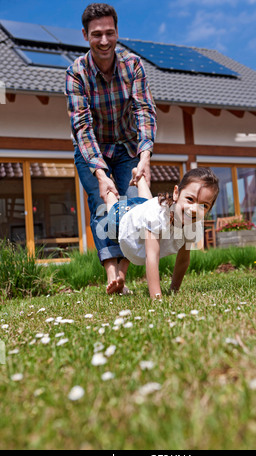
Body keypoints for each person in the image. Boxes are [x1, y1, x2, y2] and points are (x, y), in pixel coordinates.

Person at [65, 3, 157, 294]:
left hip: (128, 148)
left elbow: (144, 110)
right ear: (85, 35)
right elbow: (82, 126)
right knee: (104, 207)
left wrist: (145, 157)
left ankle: (123, 276)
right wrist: (102, 176)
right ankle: (111, 274)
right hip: (92, 151)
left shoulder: (133, 66)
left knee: (133, 207)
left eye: (109, 33)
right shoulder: (76, 73)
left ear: (117, 32)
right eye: (96, 34)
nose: (104, 41)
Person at [105, 167, 219, 298]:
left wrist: (173, 290)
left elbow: (183, 260)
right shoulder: (157, 215)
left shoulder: (192, 225)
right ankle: (110, 192)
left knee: (146, 204)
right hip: (124, 221)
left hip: (142, 212)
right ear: (176, 193)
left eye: (203, 206)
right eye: (190, 199)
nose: (194, 209)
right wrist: (157, 297)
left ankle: (139, 178)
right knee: (113, 213)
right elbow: (152, 257)